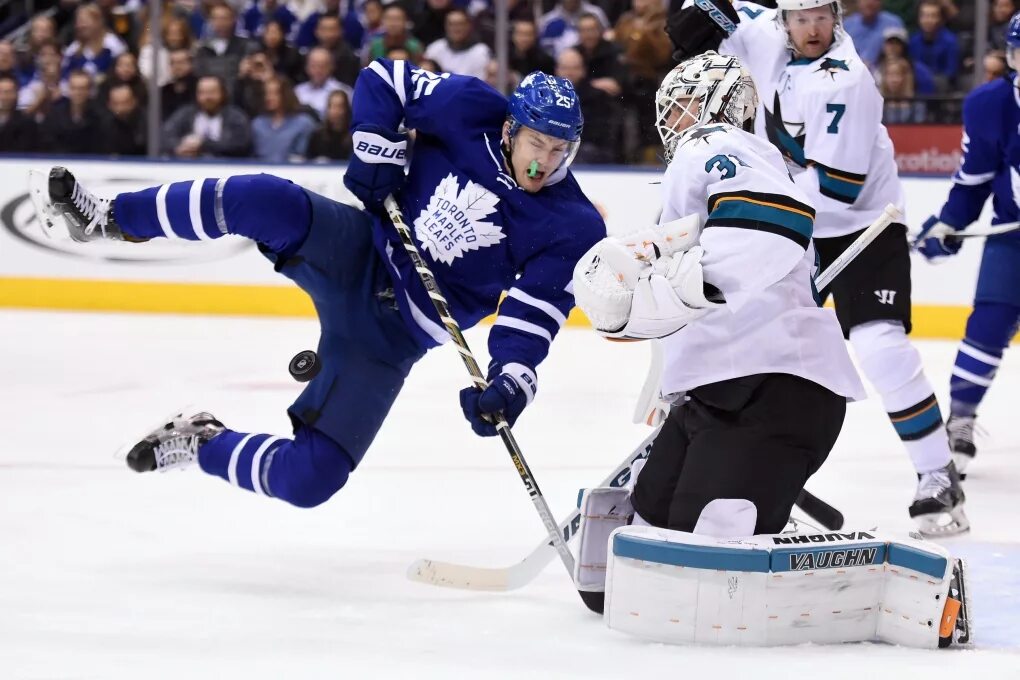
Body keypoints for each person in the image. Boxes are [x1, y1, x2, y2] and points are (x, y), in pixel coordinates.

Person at [31, 62, 605, 513]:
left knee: (312, 479)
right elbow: (384, 79)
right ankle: (108, 217)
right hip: (359, 250)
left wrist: (510, 382)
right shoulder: (471, 108)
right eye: (537, 144)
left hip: (392, 337)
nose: (545, 164)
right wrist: (374, 143)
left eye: (561, 151)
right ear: (510, 128)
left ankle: (204, 442)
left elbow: (534, 316)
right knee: (260, 197)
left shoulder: (573, 223)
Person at [664, 0, 967, 536]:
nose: (812, 28)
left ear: (838, 16)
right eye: (800, 17)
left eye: (822, 16)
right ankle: (756, 456)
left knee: (877, 344)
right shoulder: (763, 32)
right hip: (791, 226)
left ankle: (936, 470)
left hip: (859, 224)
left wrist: (756, 186)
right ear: (784, 19)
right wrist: (692, 16)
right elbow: (707, 20)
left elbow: (839, 190)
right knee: (748, 342)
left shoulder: (846, 80)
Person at [912, 13, 1020, 476]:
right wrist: (949, 225)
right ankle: (961, 417)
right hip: (1012, 236)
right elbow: (974, 179)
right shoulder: (990, 104)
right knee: (989, 325)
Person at [251, 76, 317, 162]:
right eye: (267, 93)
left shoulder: (303, 123)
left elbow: (303, 155)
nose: (269, 97)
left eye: (274, 93)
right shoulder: (258, 124)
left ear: (286, 94)